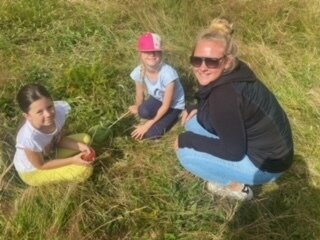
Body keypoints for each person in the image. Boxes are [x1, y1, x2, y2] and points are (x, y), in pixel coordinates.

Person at [175, 18, 294, 200]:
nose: (202, 68)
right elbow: (212, 97)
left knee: (185, 153)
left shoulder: (225, 97)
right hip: (273, 150)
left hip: (266, 167)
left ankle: (235, 187)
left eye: (212, 62)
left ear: (227, 62)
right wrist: (196, 107)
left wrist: (186, 140)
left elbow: (234, 151)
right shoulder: (235, 72)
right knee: (192, 121)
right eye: (196, 60)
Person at [13, 83, 95, 186]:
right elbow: (41, 165)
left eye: (49, 106)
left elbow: (58, 140)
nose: (48, 114)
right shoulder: (29, 138)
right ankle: (64, 165)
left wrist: (81, 147)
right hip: (33, 171)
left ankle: (61, 160)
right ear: (27, 116)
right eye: (39, 112)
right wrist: (72, 161)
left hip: (50, 152)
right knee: (84, 171)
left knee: (86, 139)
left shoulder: (58, 113)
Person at [129, 32, 185, 140]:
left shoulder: (168, 75)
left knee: (152, 134)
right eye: (147, 52)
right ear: (140, 54)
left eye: (156, 52)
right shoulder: (139, 71)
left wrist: (147, 125)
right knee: (143, 111)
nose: (152, 55)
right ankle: (157, 117)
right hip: (158, 98)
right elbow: (139, 94)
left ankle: (176, 115)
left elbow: (166, 105)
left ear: (161, 54)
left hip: (173, 105)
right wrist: (138, 108)